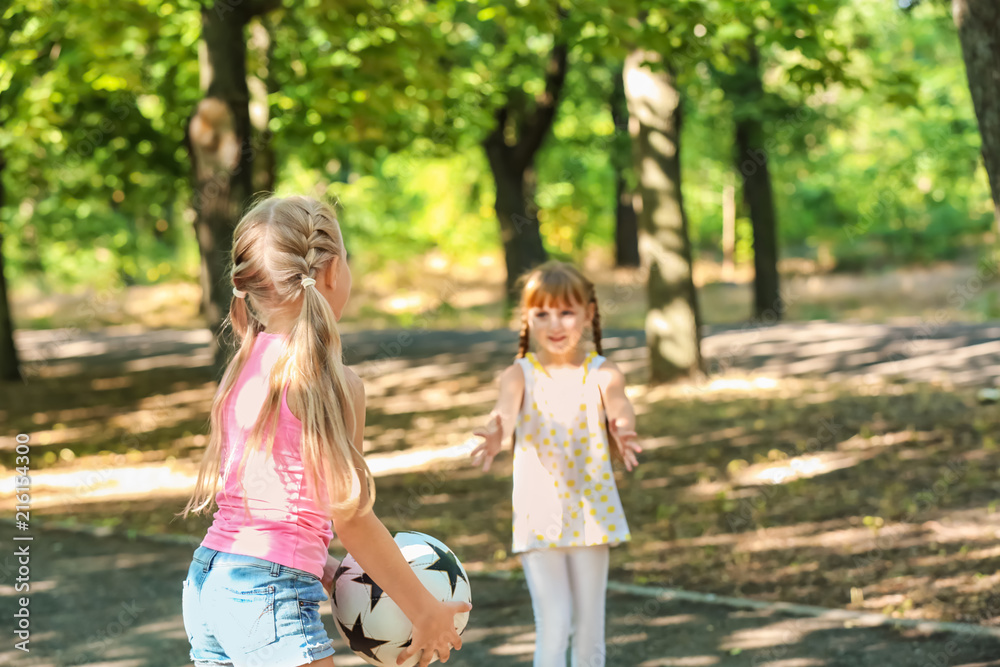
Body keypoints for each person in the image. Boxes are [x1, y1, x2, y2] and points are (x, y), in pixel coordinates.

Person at [181, 195, 469, 667]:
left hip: (209, 579)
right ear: (332, 270)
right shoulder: (331, 382)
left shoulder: (245, 365)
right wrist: (424, 610)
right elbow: (350, 516)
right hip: (264, 592)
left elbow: (275, 511)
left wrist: (330, 569)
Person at [470, 261, 641, 667]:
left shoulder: (602, 372)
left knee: (589, 628)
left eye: (566, 311)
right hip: (539, 515)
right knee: (555, 622)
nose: (554, 323)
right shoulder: (519, 375)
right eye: (542, 313)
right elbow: (503, 416)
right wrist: (494, 434)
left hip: (591, 515)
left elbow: (620, 406)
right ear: (527, 317)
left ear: (589, 313)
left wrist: (623, 427)